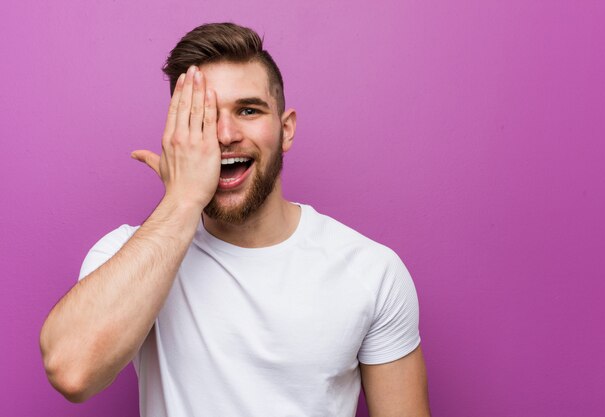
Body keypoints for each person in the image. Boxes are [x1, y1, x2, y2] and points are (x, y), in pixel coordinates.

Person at [40, 22, 431, 417]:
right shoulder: (126, 254)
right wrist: (181, 200)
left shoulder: (372, 271)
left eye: (248, 110)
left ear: (286, 129)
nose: (225, 134)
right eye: (203, 116)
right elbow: (73, 372)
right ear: (178, 136)